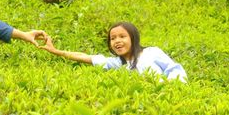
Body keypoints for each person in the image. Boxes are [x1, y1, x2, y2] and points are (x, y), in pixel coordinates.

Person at [40, 21, 188, 82]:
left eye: (122, 36)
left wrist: (173, 87)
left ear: (133, 38)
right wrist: (56, 51)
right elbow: (85, 57)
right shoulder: (117, 63)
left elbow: (174, 69)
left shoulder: (152, 52)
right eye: (113, 38)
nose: (117, 41)